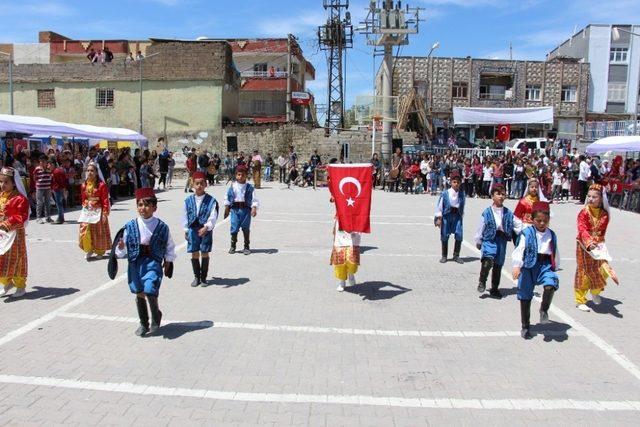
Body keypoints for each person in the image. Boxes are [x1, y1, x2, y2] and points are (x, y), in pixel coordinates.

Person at [114, 188, 176, 337]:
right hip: (135, 263)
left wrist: (168, 261)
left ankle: (155, 316)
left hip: (153, 262)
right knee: (139, 292)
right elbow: (121, 251)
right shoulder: (130, 226)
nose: (143, 208)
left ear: (154, 207)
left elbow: (169, 245)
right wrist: (121, 247)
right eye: (140, 205)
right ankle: (143, 323)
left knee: (150, 288)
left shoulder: (161, 227)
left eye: (147, 205)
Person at [512, 201, 559, 340]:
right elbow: (519, 249)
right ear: (532, 220)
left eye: (545, 221)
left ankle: (544, 309)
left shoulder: (552, 234)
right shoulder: (527, 233)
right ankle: (525, 326)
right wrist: (517, 265)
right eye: (539, 220)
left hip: (545, 265)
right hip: (528, 266)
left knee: (551, 285)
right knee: (525, 296)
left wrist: (555, 265)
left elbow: (555, 251)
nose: (542, 223)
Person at [574, 184, 619, 312]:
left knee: (603, 270)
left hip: (599, 246)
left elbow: (602, 233)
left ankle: (594, 291)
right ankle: (580, 300)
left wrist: (598, 245)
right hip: (584, 246)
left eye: (594, 197)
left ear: (601, 199)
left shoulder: (605, 215)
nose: (591, 199)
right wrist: (589, 242)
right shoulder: (584, 213)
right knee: (584, 272)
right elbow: (582, 229)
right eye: (589, 196)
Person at [475, 184, 521, 299]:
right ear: (492, 196)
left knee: (498, 264)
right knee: (487, 260)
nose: (501, 196)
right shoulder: (487, 212)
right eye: (498, 194)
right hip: (489, 239)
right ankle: (482, 280)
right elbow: (481, 226)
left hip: (501, 240)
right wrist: (478, 240)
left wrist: (528, 229)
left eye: (503, 194)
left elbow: (518, 224)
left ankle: (495, 288)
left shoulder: (508, 213)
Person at [183, 172, 218, 287]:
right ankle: (196, 276)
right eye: (197, 183)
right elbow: (185, 215)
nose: (199, 186)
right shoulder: (188, 200)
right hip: (193, 229)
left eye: (201, 183)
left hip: (205, 229)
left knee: (204, 252)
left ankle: (203, 278)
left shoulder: (211, 200)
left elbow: (213, 216)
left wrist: (207, 227)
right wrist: (186, 229)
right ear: (192, 185)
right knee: (194, 252)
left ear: (205, 184)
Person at [0, 167, 30, 298]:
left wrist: (6, 224)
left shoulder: (20, 199)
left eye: (6, 182)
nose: (2, 185)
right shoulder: (1, 196)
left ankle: (20, 286)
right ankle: (7, 283)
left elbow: (21, 217)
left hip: (15, 235)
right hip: (2, 233)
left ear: (14, 183)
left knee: (17, 259)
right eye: (1, 182)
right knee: (2, 258)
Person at [79, 163, 112, 260]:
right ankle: (89, 249)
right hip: (88, 210)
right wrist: (85, 203)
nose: (89, 173)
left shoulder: (102, 185)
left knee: (99, 231)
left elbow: (105, 200)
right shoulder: (84, 185)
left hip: (98, 210)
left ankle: (99, 251)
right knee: (85, 229)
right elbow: (83, 198)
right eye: (88, 171)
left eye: (92, 171)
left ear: (96, 173)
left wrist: (105, 213)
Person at [224, 165, 259, 255]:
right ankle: (233, 245)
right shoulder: (233, 186)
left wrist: (254, 208)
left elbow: (254, 199)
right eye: (239, 174)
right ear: (236, 175)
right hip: (235, 210)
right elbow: (227, 197)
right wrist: (227, 208)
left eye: (243, 175)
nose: (240, 176)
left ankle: (246, 246)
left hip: (246, 210)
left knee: (246, 228)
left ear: (246, 176)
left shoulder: (250, 188)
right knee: (234, 227)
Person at [434, 170, 465, 264]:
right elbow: (440, 206)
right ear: (450, 182)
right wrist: (439, 218)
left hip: (457, 216)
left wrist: (461, 215)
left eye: (458, 182)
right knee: (444, 234)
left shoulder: (462, 194)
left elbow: (462, 205)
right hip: (447, 215)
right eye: (454, 182)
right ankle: (444, 255)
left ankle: (456, 255)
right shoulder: (445, 193)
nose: (456, 184)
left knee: (459, 234)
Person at [330, 201, 360, 292]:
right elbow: (333, 196)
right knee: (340, 257)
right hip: (340, 220)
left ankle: (350, 273)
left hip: (354, 220)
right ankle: (342, 281)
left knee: (352, 260)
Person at [33, 155, 53, 224]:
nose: (42, 163)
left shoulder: (49, 168)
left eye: (44, 161)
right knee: (39, 203)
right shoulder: (37, 169)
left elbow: (51, 176)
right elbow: (34, 177)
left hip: (47, 188)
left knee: (47, 203)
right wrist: (37, 184)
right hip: (39, 188)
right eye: (41, 161)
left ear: (46, 162)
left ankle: (48, 217)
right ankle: (38, 218)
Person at [50, 158, 67, 224]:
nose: (49, 166)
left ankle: (60, 218)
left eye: (50, 165)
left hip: (57, 189)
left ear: (53, 164)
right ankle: (61, 217)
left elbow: (58, 181)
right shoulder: (60, 170)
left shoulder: (56, 171)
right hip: (60, 188)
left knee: (59, 204)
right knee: (60, 204)